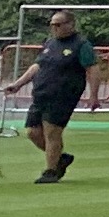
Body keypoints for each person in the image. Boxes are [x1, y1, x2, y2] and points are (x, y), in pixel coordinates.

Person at [23, 10, 95, 182]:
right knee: (32, 132)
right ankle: (60, 159)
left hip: (63, 94)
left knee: (52, 132)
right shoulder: (50, 43)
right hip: (41, 93)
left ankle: (50, 171)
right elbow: (37, 66)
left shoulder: (81, 44)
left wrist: (94, 96)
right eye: (52, 25)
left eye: (58, 24)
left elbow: (92, 69)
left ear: (70, 24)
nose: (54, 28)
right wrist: (18, 84)